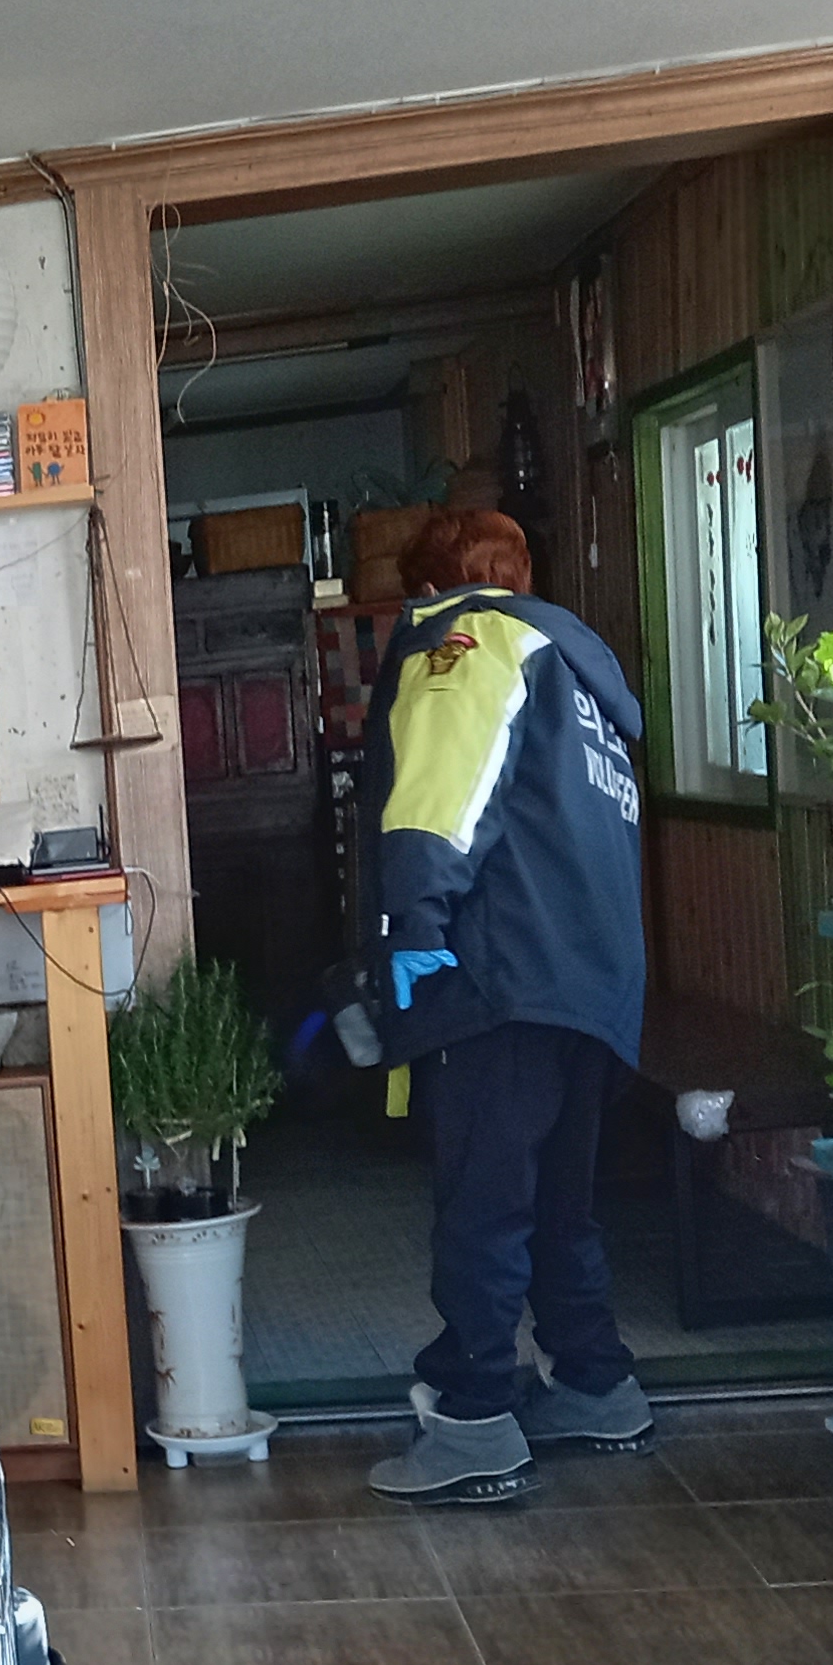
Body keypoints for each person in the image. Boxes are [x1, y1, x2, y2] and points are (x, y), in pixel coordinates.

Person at [351, 506, 656, 1505]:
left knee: (482, 1205)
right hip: (592, 984)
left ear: (425, 588)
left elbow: (445, 789)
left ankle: (474, 1417)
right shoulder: (581, 677)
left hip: (497, 975)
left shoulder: (469, 646)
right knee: (560, 1203)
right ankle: (594, 1383)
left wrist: (414, 920)